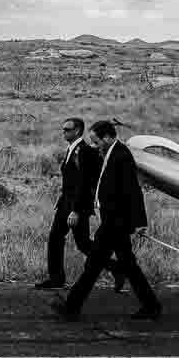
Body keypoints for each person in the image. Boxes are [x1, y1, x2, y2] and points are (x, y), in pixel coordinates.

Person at [56, 120, 161, 320]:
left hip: (116, 222)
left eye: (96, 142)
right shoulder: (110, 154)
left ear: (107, 137)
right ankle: (151, 305)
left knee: (93, 265)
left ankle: (71, 307)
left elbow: (133, 191)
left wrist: (140, 222)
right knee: (128, 265)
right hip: (113, 220)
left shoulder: (121, 156)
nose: (94, 146)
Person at [34, 116, 121, 291]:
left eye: (67, 129)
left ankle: (117, 268)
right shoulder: (72, 149)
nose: (63, 132)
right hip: (66, 204)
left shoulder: (84, 151)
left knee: (82, 243)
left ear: (78, 131)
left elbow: (83, 183)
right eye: (63, 129)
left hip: (76, 206)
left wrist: (76, 210)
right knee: (56, 238)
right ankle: (56, 279)